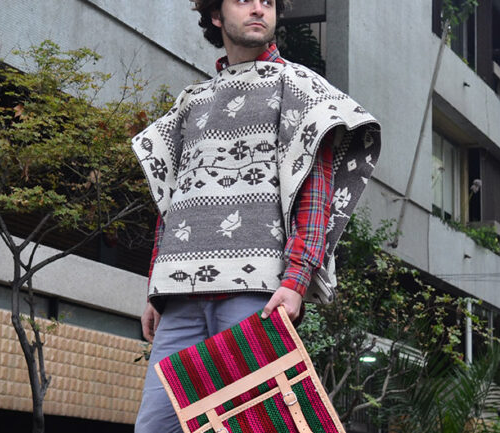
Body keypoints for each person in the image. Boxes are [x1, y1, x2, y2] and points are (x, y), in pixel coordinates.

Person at [130, 0, 381, 431]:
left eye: (267, 2)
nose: (259, 9)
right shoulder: (191, 102)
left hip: (253, 294)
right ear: (215, 15)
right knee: (153, 427)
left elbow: (315, 195)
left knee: (260, 426)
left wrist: (296, 281)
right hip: (180, 296)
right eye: (244, 0)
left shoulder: (300, 87)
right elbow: (173, 200)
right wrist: (155, 287)